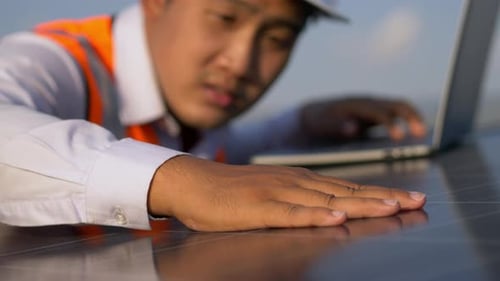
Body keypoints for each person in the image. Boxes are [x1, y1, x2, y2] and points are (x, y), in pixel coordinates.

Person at [0, 0, 427, 232]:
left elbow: (231, 150)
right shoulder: (56, 61)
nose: (241, 63)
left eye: (277, 38)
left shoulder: (187, 117)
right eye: (225, 16)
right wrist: (178, 181)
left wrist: (303, 122)